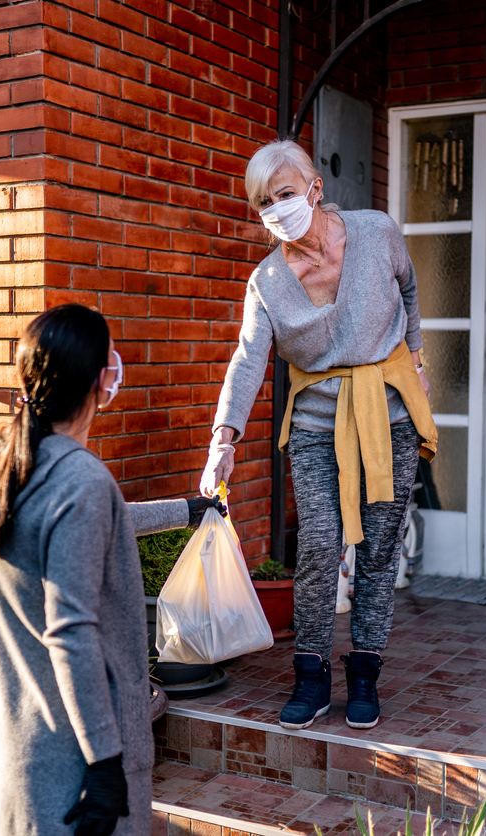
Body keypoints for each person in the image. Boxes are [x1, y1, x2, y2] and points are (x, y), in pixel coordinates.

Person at [0, 304, 220, 836]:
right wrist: (105, 763)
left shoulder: (5, 465)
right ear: (100, 381)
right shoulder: (81, 483)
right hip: (73, 774)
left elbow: (93, 520)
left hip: (13, 756)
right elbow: (71, 633)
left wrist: (186, 510)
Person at [201, 139, 438, 731]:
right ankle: (311, 676)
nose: (276, 210)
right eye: (263, 203)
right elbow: (248, 359)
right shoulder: (267, 282)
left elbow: (408, 290)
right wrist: (222, 439)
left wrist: (417, 356)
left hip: (389, 416)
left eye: (284, 194)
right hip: (315, 426)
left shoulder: (377, 232)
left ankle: (364, 674)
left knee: (381, 549)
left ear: (315, 188)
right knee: (318, 547)